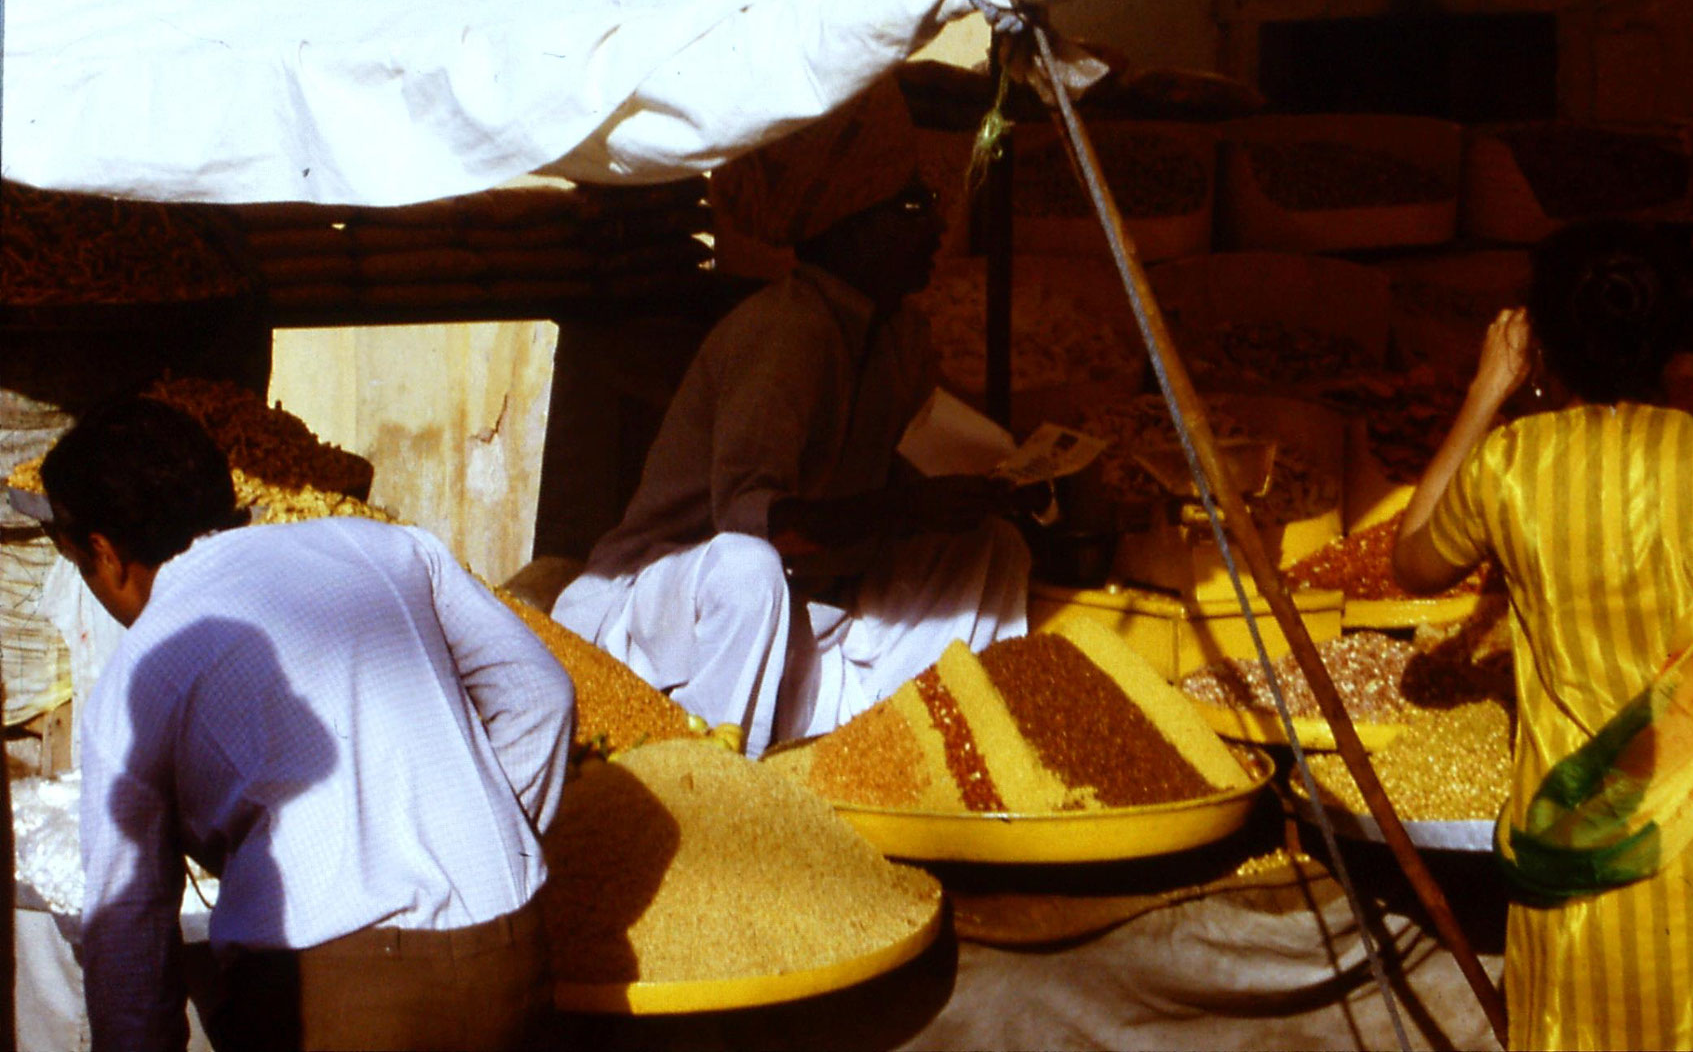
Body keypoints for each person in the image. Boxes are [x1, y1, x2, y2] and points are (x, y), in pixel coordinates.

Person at [1392, 221, 1693, 1051]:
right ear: (1673, 338)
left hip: (1583, 870)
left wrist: (1485, 390)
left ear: (1541, 340)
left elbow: (1414, 558)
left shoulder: (1508, 465)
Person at [41, 397, 574, 1052]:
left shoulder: (138, 672)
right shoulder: (386, 545)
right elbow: (539, 693)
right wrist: (483, 837)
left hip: (332, 996)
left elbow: (128, 923)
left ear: (105, 552)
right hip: (511, 954)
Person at [553, 85, 1029, 756]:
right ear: (855, 227)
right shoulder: (785, 332)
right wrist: (907, 506)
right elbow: (760, 525)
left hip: (807, 604)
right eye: (915, 205)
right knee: (751, 569)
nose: (939, 225)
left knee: (994, 546)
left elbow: (862, 469)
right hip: (672, 607)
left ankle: (897, 747)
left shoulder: (897, 338)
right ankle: (708, 780)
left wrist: (974, 495)